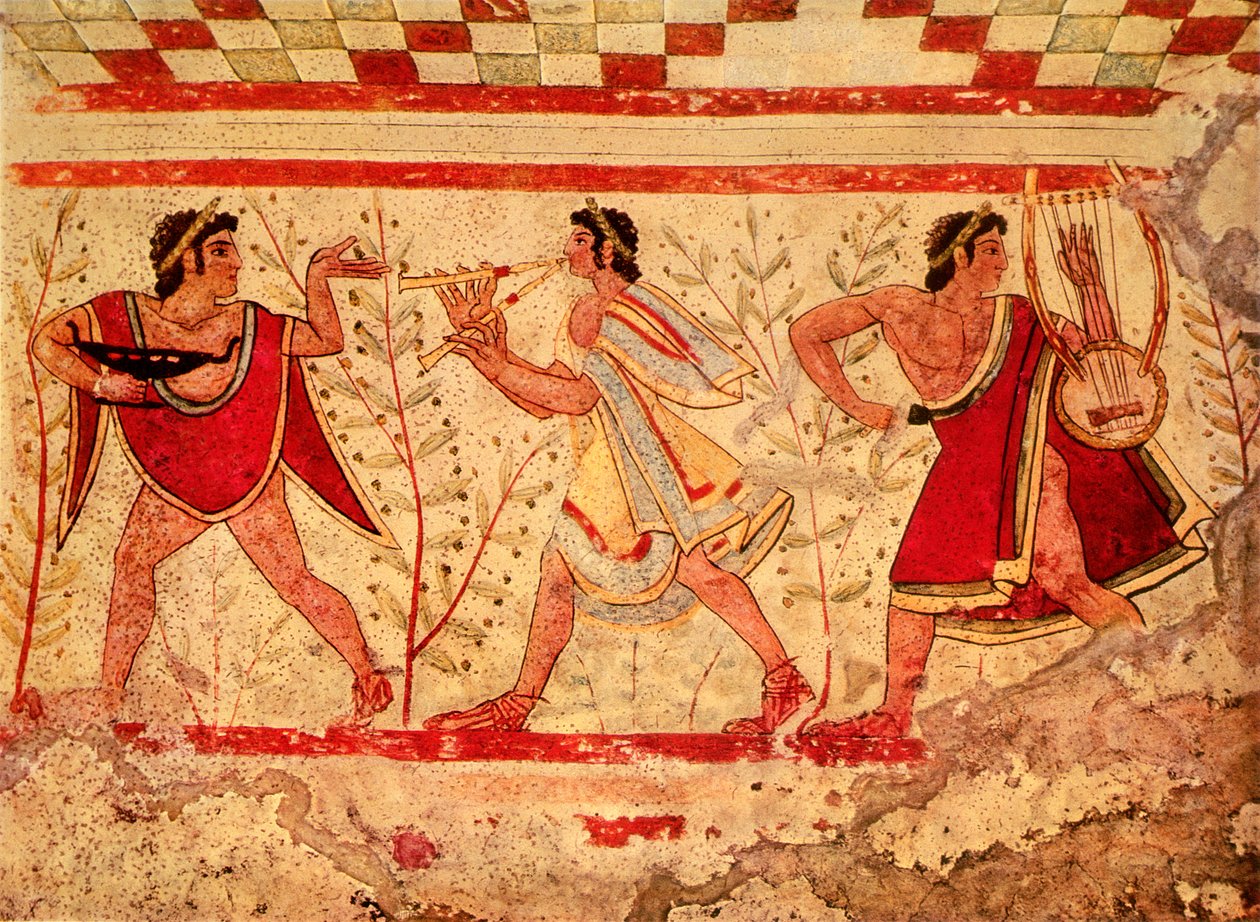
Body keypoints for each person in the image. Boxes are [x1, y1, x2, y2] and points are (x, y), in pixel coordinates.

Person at [789, 205, 1208, 738]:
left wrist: (1090, 288)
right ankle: (893, 715)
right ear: (957, 256)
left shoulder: (1020, 314)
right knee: (916, 591)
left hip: (1029, 470)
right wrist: (857, 406)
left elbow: (1102, 362)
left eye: (1002, 252)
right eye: (990, 250)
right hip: (966, 470)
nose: (1003, 263)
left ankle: (1156, 687)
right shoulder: (900, 306)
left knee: (1066, 584)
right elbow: (807, 331)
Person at [423, 200, 811, 733]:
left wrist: (493, 363)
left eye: (580, 240)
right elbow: (547, 400)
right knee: (674, 570)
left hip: (646, 458)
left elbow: (579, 397)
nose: (567, 249)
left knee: (665, 570)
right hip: (611, 460)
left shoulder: (630, 310)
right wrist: (492, 344)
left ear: (608, 250)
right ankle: (784, 679)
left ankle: (518, 705)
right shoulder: (581, 312)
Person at [33, 201, 396, 722]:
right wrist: (99, 383)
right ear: (189, 258)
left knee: (293, 579)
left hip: (247, 472)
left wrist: (317, 278)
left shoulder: (247, 321)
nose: (238, 263)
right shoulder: (123, 314)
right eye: (223, 251)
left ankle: (366, 676)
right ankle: (110, 693)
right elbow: (46, 341)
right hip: (176, 477)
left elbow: (325, 340)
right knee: (132, 561)